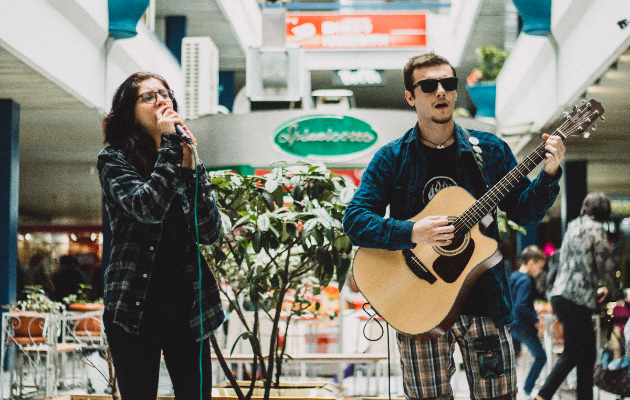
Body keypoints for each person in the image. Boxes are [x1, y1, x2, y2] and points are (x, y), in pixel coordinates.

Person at [342, 52, 566, 400]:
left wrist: (549, 175)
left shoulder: (489, 151)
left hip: (485, 300)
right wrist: (412, 232)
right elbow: (355, 220)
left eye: (448, 83)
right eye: (429, 85)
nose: (440, 92)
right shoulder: (393, 157)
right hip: (417, 305)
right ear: (411, 97)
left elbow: (524, 212)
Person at [97, 72, 224, 400]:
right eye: (149, 96)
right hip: (134, 308)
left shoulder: (181, 157)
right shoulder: (114, 160)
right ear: (130, 112)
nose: (162, 100)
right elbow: (146, 207)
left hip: (189, 308)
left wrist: (192, 169)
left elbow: (210, 232)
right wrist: (170, 149)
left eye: (165, 93)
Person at [536, 192, 619, 400]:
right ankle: (542, 396)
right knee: (574, 352)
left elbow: (576, 267)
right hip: (576, 300)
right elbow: (605, 266)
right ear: (604, 212)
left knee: (586, 355)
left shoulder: (573, 226)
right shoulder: (596, 229)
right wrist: (618, 293)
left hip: (561, 296)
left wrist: (596, 290)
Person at [509, 246, 547, 399]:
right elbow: (521, 305)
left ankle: (513, 391)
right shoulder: (526, 280)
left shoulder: (513, 276)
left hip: (512, 324)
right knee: (541, 357)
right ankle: (526, 391)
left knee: (513, 359)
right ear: (531, 262)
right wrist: (536, 321)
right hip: (522, 325)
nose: (540, 272)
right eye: (540, 267)